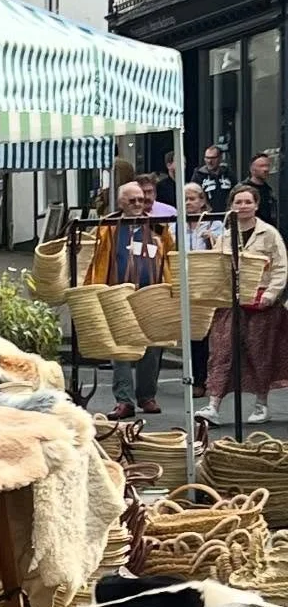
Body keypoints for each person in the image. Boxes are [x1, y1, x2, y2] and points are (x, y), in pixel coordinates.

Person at [85, 182, 174, 419]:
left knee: (152, 348)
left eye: (141, 200)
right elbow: (94, 258)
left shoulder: (158, 226)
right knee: (121, 349)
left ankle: (147, 396)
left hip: (152, 295)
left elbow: (171, 256)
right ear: (120, 202)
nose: (137, 204)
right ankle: (124, 401)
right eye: (132, 200)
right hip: (117, 295)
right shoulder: (108, 227)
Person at [204, 182, 288, 424]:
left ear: (256, 205)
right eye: (238, 202)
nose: (243, 206)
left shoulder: (269, 233)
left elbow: (280, 266)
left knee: (259, 352)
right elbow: (218, 268)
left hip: (261, 302)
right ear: (231, 205)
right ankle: (213, 405)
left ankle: (261, 404)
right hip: (230, 301)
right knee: (221, 352)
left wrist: (271, 294)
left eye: (248, 202)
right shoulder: (225, 235)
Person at [183, 183, 221, 394]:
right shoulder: (175, 224)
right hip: (183, 282)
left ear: (202, 201)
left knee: (203, 333)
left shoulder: (214, 223)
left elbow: (221, 249)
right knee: (188, 332)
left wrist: (211, 240)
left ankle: (201, 379)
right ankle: (191, 376)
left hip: (205, 283)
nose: (189, 203)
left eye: (193, 199)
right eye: (185, 199)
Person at [192, 142, 234, 216]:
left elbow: (235, 191)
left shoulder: (228, 174)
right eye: (207, 158)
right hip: (207, 216)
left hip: (227, 214)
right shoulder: (198, 176)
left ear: (220, 158)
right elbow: (193, 195)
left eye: (213, 158)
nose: (209, 161)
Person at [247, 152, 277, 228]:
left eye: (267, 166)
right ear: (252, 169)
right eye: (261, 166)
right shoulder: (244, 189)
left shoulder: (269, 190)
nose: (266, 169)